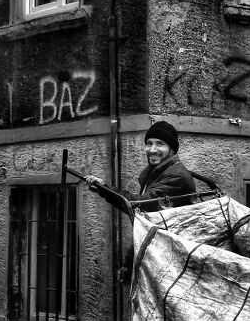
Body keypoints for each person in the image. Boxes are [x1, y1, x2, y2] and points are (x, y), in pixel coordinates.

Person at [84, 120, 197, 280]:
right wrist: (130, 265)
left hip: (173, 264)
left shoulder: (176, 176)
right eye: (149, 143)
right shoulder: (156, 174)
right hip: (160, 257)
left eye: (160, 144)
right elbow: (144, 224)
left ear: (172, 149)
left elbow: (139, 206)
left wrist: (104, 189)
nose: (152, 150)